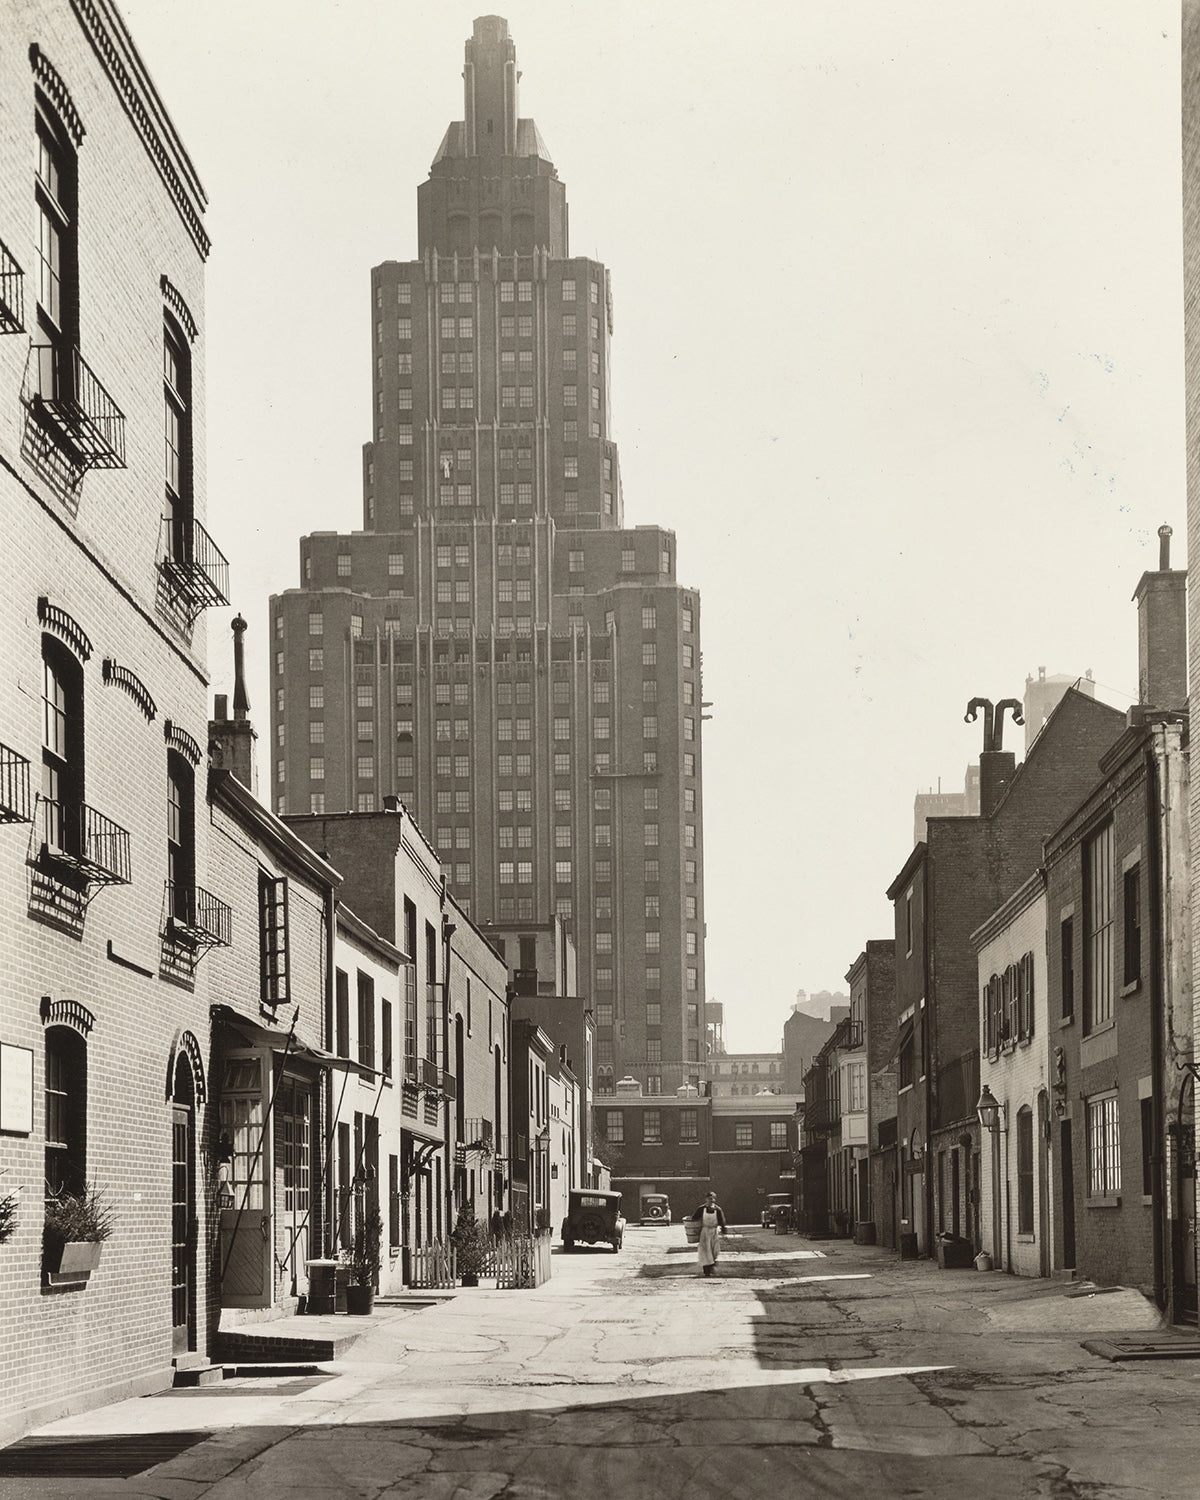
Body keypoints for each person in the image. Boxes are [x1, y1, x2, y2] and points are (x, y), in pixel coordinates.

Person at [690, 1192, 727, 1277]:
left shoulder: (718, 1210)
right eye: (709, 1198)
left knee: (714, 1250)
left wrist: (724, 1228)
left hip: (714, 1231)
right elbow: (694, 1218)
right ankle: (706, 1270)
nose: (711, 1200)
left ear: (714, 1199)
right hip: (704, 1232)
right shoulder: (701, 1209)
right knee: (705, 1251)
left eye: (712, 1198)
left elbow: (722, 1220)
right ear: (706, 1199)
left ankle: (712, 1264)